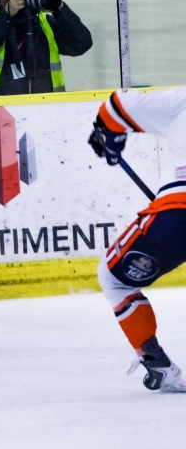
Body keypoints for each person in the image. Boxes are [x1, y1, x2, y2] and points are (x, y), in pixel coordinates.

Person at [88, 87, 186, 392]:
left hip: (179, 212)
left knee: (114, 279)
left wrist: (109, 137)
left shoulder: (181, 100)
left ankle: (157, 364)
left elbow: (118, 105)